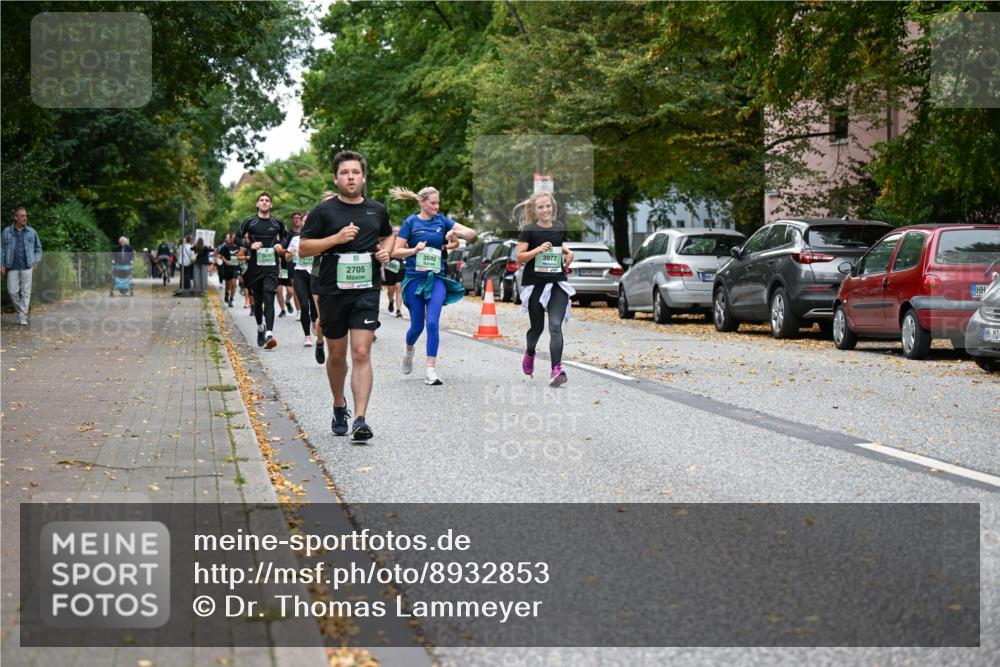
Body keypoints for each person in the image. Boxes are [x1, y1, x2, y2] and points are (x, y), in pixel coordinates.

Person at [299, 151, 393, 442]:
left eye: (355, 172)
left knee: (362, 352)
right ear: (336, 177)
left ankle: (361, 418)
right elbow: (303, 248)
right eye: (344, 172)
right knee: (337, 355)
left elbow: (387, 235)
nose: (350, 177)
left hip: (366, 289)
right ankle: (339, 405)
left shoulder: (377, 210)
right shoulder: (323, 212)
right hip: (331, 291)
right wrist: (336, 239)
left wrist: (386, 250)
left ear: (363, 177)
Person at [390, 186, 476, 385]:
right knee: (417, 325)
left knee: (433, 323)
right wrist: (414, 250)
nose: (437, 206)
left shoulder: (442, 221)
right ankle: (408, 351)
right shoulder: (410, 223)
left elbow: (471, 233)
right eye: (433, 203)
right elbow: (395, 251)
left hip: (437, 278)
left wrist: (455, 235)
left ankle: (431, 369)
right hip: (414, 279)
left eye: (438, 203)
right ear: (422, 203)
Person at [514, 191, 575, 387]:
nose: (545, 210)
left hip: (557, 282)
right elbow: (519, 257)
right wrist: (537, 250)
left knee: (555, 326)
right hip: (536, 284)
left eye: (548, 206)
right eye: (541, 207)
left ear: (552, 206)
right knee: (537, 328)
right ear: (535, 209)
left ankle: (556, 369)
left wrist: (568, 252)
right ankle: (530, 352)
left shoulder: (559, 226)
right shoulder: (529, 231)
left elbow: (557, 244)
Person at [238, 192, 286, 349]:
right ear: (257, 204)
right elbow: (237, 238)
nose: (264, 202)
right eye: (262, 200)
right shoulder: (250, 222)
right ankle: (260, 328)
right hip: (255, 267)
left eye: (267, 200)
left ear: (271, 205)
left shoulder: (277, 222)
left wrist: (280, 244)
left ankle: (269, 334)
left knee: (269, 297)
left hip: (271, 266)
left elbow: (286, 237)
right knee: (258, 302)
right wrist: (249, 245)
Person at [2, 207, 43, 325]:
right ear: (16, 217)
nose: (24, 218)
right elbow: (2, 249)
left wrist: (36, 260)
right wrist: (1, 263)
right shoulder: (6, 232)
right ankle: (22, 312)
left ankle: (23, 317)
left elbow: (38, 248)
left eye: (25, 216)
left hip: (27, 265)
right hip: (12, 265)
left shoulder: (32, 231)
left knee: (26, 291)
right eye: (22, 216)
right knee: (12, 291)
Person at [284, 215, 320, 347]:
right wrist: (291, 253)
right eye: (304, 221)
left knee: (315, 308)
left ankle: (314, 324)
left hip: (314, 274)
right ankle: (307, 336)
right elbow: (287, 258)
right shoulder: (295, 239)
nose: (306, 223)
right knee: (304, 306)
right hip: (299, 273)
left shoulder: (317, 239)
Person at [381, 226, 404, 317]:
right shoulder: (387, 241)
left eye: (398, 231)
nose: (397, 233)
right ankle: (391, 300)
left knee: (399, 287)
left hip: (400, 266)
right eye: (395, 231)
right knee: (391, 289)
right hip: (390, 266)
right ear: (392, 232)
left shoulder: (403, 241)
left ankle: (398, 311)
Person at [217, 232, 240, 306]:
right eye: (232, 238)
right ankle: (227, 293)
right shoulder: (226, 246)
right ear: (230, 238)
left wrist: (240, 259)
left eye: (234, 238)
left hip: (235, 267)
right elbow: (220, 255)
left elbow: (242, 255)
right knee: (228, 284)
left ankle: (231, 299)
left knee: (234, 284)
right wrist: (226, 261)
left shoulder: (239, 247)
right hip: (227, 267)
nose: (233, 239)